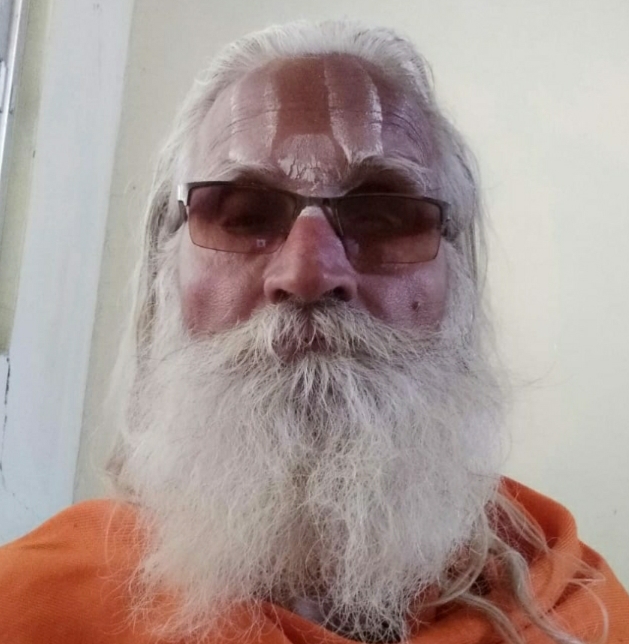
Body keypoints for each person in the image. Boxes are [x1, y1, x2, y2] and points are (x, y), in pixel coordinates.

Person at [0, 19, 627, 644]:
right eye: (244, 215)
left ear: (457, 284)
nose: (307, 273)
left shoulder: (581, 618)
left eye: (384, 215)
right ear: (166, 281)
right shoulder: (33, 609)